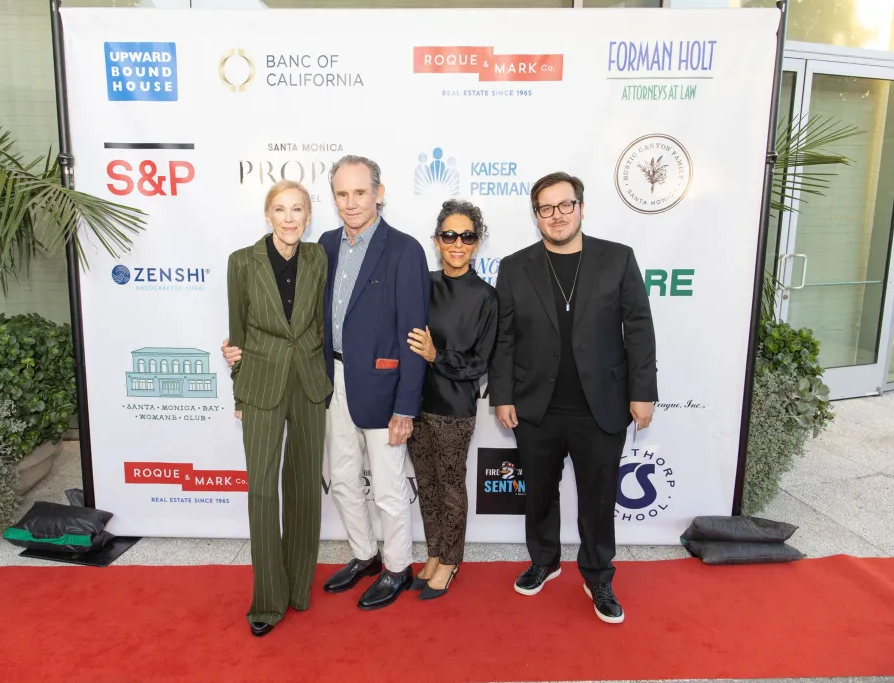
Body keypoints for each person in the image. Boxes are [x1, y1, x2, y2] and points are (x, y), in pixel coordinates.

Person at [224, 155, 430, 611]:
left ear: (379, 193)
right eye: (342, 193)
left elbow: (415, 338)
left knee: (390, 489)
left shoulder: (405, 250)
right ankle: (365, 556)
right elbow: (289, 312)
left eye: (360, 192)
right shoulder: (324, 246)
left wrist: (406, 407)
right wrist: (242, 347)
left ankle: (398, 568)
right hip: (327, 380)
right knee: (340, 479)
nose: (351, 202)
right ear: (332, 198)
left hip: (383, 388)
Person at [488, 172, 657, 625]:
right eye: (546, 208)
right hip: (535, 406)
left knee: (598, 499)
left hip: (601, 405)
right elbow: (503, 338)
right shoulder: (514, 266)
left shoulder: (617, 259)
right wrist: (502, 395)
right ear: (536, 215)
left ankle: (598, 574)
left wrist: (642, 393)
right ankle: (544, 560)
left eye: (565, 205)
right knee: (539, 494)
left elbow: (639, 328)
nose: (557, 215)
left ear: (581, 207)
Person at [225, 179, 332, 637]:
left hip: (308, 382)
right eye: (281, 209)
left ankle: (299, 587)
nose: (290, 218)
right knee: (264, 491)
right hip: (261, 382)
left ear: (308, 217)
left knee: (306, 488)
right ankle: (268, 600)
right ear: (268, 216)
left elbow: (322, 322)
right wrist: (238, 390)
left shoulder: (318, 258)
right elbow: (237, 329)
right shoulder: (241, 262)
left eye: (298, 210)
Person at [404, 199, 497, 600]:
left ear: (477, 243)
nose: (457, 243)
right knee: (425, 484)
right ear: (436, 240)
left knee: (450, 485)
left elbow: (479, 362)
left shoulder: (486, 298)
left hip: (454, 409)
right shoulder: (420, 284)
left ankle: (451, 559)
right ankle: (435, 551)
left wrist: (435, 355)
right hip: (413, 403)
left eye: (466, 236)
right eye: (449, 235)